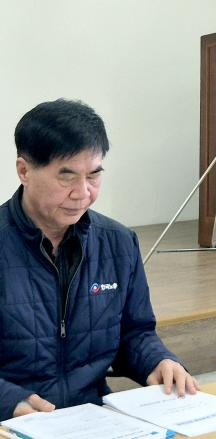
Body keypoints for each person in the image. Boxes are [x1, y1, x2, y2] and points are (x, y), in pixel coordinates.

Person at [0, 99, 198, 421]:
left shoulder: (117, 242)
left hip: (93, 418)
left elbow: (135, 333)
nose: (83, 193)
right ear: (24, 170)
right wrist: (9, 403)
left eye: (93, 175)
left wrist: (159, 361)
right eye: (67, 177)